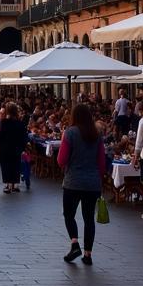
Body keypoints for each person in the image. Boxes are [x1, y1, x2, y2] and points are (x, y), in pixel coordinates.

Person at [57, 104, 107, 266]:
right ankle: (88, 254)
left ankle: (74, 243)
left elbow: (61, 160)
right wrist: (100, 180)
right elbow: (101, 161)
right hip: (92, 183)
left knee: (69, 215)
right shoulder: (96, 134)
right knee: (88, 218)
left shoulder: (70, 133)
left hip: (73, 181)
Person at [0, 103, 28, 193]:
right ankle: (15, 184)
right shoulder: (20, 123)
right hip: (17, 148)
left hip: (5, 147)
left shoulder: (4, 122)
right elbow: (24, 137)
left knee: (6, 166)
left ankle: (8, 184)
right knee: (16, 165)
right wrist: (23, 148)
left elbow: (0, 136)